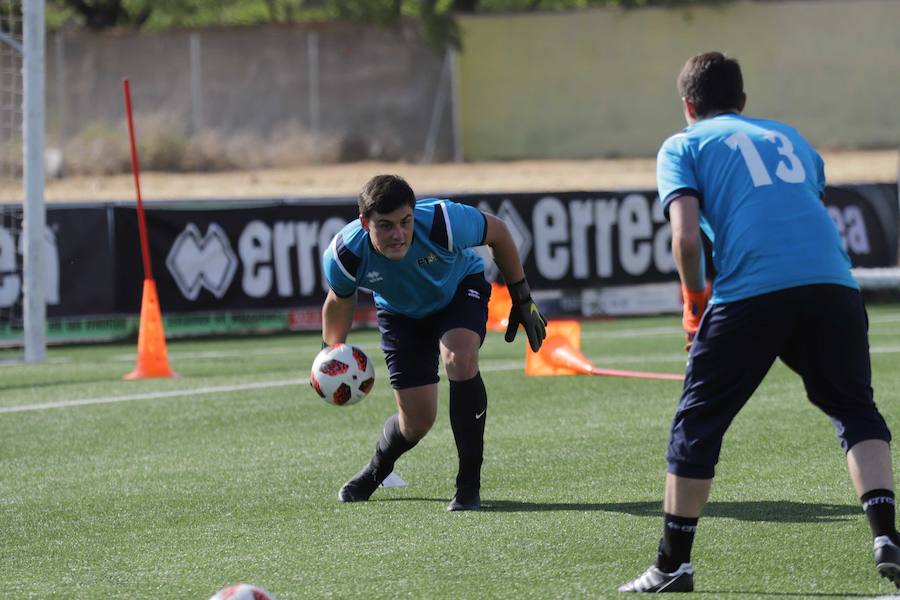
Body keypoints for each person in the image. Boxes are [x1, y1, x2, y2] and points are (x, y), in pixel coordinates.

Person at [619, 52, 899, 592]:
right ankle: (886, 534)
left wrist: (694, 301)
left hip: (752, 292)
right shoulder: (791, 137)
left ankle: (673, 564)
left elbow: (685, 236)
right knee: (855, 410)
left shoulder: (682, 144)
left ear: (687, 106)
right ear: (743, 102)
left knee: (697, 425)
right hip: (834, 285)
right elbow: (802, 206)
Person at [320, 174, 546, 511]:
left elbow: (498, 232)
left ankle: (468, 485)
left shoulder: (444, 220)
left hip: (458, 290)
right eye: (386, 226)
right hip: (399, 313)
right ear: (365, 223)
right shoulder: (343, 255)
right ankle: (377, 469)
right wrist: (330, 355)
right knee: (416, 422)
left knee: (460, 357)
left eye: (405, 222)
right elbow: (340, 300)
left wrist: (522, 297)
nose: (398, 234)